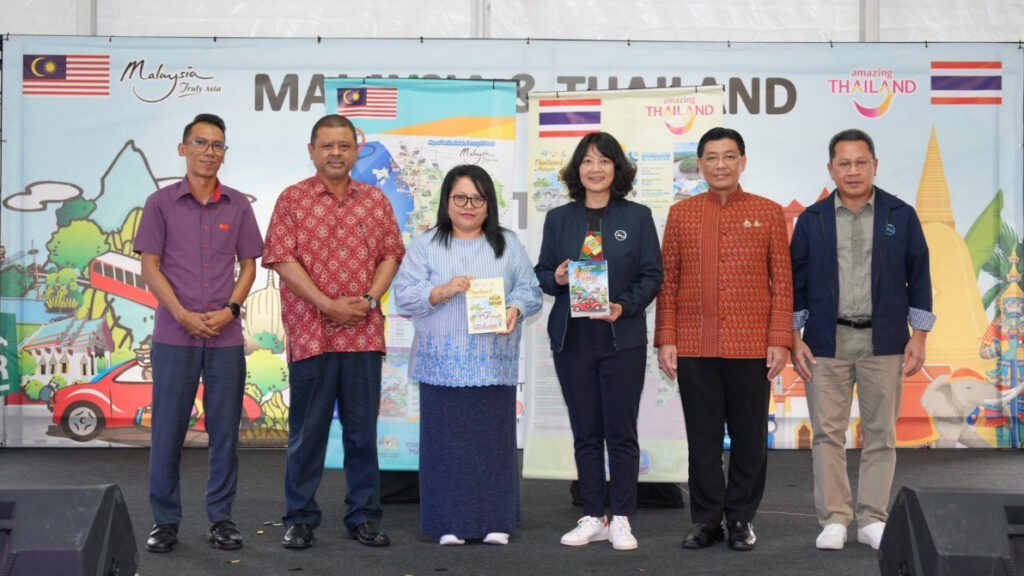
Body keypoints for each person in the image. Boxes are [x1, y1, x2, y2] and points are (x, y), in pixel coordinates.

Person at [262, 114, 405, 550]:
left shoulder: (375, 201)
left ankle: (363, 516)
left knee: (362, 433)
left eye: (344, 145)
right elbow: (282, 261)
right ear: (312, 151)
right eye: (327, 146)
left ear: (356, 150)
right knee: (308, 434)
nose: (336, 153)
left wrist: (366, 300)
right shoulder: (292, 200)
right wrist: (327, 305)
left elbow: (391, 255)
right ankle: (300, 517)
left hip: (362, 336)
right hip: (312, 335)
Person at [790, 128, 934, 551]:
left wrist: (919, 335)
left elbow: (920, 276)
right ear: (830, 168)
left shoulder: (900, 215)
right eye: (843, 163)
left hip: (885, 342)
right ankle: (834, 518)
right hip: (824, 343)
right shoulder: (812, 220)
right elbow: (796, 283)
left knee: (881, 435)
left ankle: (873, 518)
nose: (852, 171)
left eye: (860, 162)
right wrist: (794, 337)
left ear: (875, 164)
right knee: (826, 436)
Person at [655, 127, 792, 552]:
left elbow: (783, 282)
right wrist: (666, 338)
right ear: (700, 165)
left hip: (752, 345)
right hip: (695, 344)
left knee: (750, 440)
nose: (720, 165)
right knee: (703, 440)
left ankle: (741, 520)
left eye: (729, 156)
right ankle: (706, 520)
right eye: (711, 157)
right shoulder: (682, 214)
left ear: (743, 162)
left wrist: (780, 338)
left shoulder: (768, 212)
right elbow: (668, 280)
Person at [392, 164, 542, 546]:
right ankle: (448, 524)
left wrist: (513, 310)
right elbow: (404, 296)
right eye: (460, 197)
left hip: (494, 364)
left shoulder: (507, 244)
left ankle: (496, 521)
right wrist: (442, 291)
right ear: (446, 202)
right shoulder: (426, 245)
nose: (469, 205)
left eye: (478, 198)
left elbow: (531, 291)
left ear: (489, 204)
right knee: (446, 448)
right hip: (442, 365)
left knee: (493, 447)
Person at [135, 113, 264, 553]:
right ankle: (165, 522)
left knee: (225, 430)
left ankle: (221, 519)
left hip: (225, 337)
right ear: (183, 148)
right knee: (168, 430)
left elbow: (250, 265)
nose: (210, 151)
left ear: (224, 153)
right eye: (201, 142)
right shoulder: (161, 203)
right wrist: (182, 313)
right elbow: (149, 265)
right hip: (174, 334)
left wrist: (231, 310)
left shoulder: (238, 205)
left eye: (218, 145)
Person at [535, 131, 663, 551]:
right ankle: (592, 514)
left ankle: (622, 516)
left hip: (619, 337)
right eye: (587, 161)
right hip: (573, 340)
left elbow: (652, 276)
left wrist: (624, 307)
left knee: (621, 432)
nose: (595, 168)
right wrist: (555, 277)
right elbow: (543, 274)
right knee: (586, 431)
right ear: (577, 169)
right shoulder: (559, 219)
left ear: (616, 168)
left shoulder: (637, 216)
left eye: (604, 160)